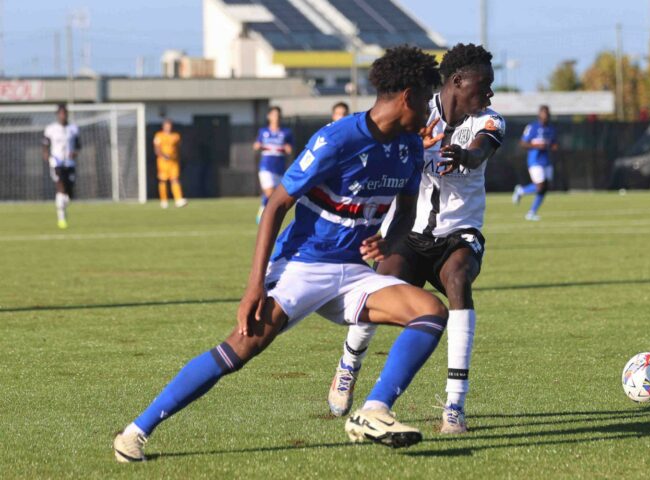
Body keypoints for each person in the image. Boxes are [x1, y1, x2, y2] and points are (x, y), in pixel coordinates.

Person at [113, 45, 444, 463]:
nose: (431, 112)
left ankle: (374, 411)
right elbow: (275, 205)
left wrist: (388, 240)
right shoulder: (337, 138)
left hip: (354, 273)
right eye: (429, 100)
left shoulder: (409, 147)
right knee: (241, 348)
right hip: (302, 266)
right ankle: (135, 433)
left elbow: (408, 206)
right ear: (409, 96)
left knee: (430, 310)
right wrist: (254, 286)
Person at [328, 43, 505, 434]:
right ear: (458, 81)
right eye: (485, 84)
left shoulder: (490, 121)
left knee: (458, 280)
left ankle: (454, 405)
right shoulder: (421, 114)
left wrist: (463, 155)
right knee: (378, 284)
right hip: (410, 232)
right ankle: (348, 364)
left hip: (459, 234)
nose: (490, 93)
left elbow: (480, 152)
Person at [512, 105, 558, 220]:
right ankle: (521, 190)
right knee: (540, 186)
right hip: (535, 160)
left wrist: (553, 146)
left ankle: (531, 212)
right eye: (543, 114)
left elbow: (554, 144)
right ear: (539, 115)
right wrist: (536, 145)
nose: (546, 116)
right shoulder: (532, 127)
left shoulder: (551, 128)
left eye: (547, 114)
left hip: (546, 160)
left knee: (545, 187)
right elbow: (522, 143)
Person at [43, 104, 80, 229]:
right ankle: (61, 218)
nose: (63, 115)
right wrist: (48, 157)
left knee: (69, 194)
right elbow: (45, 145)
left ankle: (63, 208)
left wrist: (75, 153)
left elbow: (78, 146)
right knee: (60, 187)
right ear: (58, 114)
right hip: (56, 162)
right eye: (61, 113)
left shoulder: (73, 129)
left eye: (65, 113)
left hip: (69, 163)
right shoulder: (51, 129)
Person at [253, 106, 293, 223]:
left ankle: (263, 208)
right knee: (269, 192)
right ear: (269, 116)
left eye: (278, 115)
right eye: (274, 115)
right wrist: (257, 146)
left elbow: (290, 149)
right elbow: (256, 145)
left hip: (280, 167)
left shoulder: (286, 132)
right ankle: (264, 213)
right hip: (266, 166)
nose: (276, 117)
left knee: (274, 195)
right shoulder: (263, 132)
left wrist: (287, 148)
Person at [153, 119, 188, 209]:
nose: (168, 127)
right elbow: (156, 149)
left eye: (169, 126)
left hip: (173, 162)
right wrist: (163, 155)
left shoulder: (176, 136)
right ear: (163, 126)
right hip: (163, 161)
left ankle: (178, 200)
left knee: (175, 179)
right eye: (166, 126)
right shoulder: (158, 136)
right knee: (163, 180)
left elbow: (178, 147)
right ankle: (164, 201)